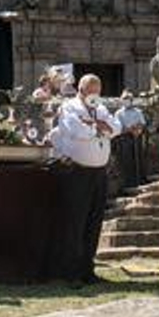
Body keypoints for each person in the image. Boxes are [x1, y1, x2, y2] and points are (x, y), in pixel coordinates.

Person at [49, 73, 120, 285]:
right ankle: (71, 273)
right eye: (90, 90)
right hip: (77, 172)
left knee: (94, 223)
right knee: (75, 223)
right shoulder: (69, 107)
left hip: (99, 173)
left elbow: (115, 128)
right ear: (80, 89)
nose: (93, 95)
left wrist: (94, 123)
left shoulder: (101, 108)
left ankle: (88, 269)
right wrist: (99, 128)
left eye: (97, 91)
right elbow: (77, 131)